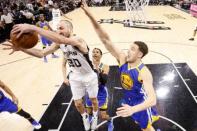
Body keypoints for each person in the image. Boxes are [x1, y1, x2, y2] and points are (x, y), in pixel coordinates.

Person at [3, 20, 99, 131]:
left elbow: (62, 39)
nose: (58, 31)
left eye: (61, 28)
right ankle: (85, 116)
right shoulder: (59, 43)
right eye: (57, 28)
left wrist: (34, 28)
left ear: (70, 29)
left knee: (94, 100)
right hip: (75, 76)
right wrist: (22, 49)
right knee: (78, 104)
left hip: (89, 75)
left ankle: (95, 115)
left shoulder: (78, 39)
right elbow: (41, 53)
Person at [81, 1, 159, 131]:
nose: (128, 51)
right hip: (129, 101)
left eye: (132, 49)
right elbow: (106, 39)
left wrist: (133, 109)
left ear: (140, 54)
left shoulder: (144, 72)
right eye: (129, 48)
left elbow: (152, 100)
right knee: (139, 124)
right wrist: (90, 15)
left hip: (141, 105)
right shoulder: (122, 59)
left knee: (146, 128)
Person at [85, 48, 110, 121]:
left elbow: (104, 81)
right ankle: (91, 124)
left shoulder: (105, 66)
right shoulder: (88, 66)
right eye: (93, 52)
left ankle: (110, 121)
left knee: (103, 116)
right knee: (89, 113)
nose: (95, 53)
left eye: (97, 52)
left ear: (101, 55)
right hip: (90, 92)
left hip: (101, 93)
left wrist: (97, 69)